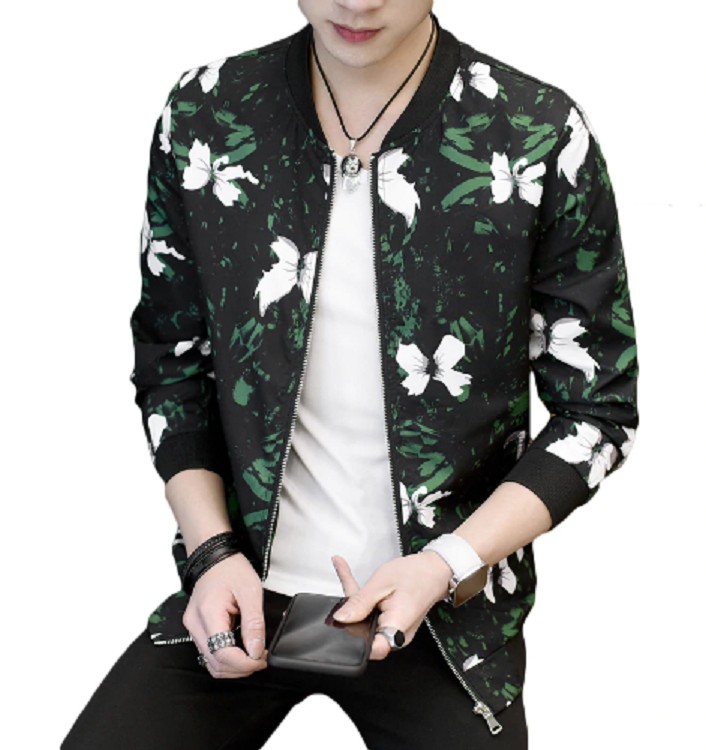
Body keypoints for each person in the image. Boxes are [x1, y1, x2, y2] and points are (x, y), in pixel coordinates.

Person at [60, 1, 639, 748]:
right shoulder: (208, 112)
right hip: (237, 588)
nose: (357, 2)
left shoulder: (536, 132)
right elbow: (171, 362)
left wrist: (447, 562)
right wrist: (211, 554)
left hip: (443, 605)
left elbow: (597, 410)